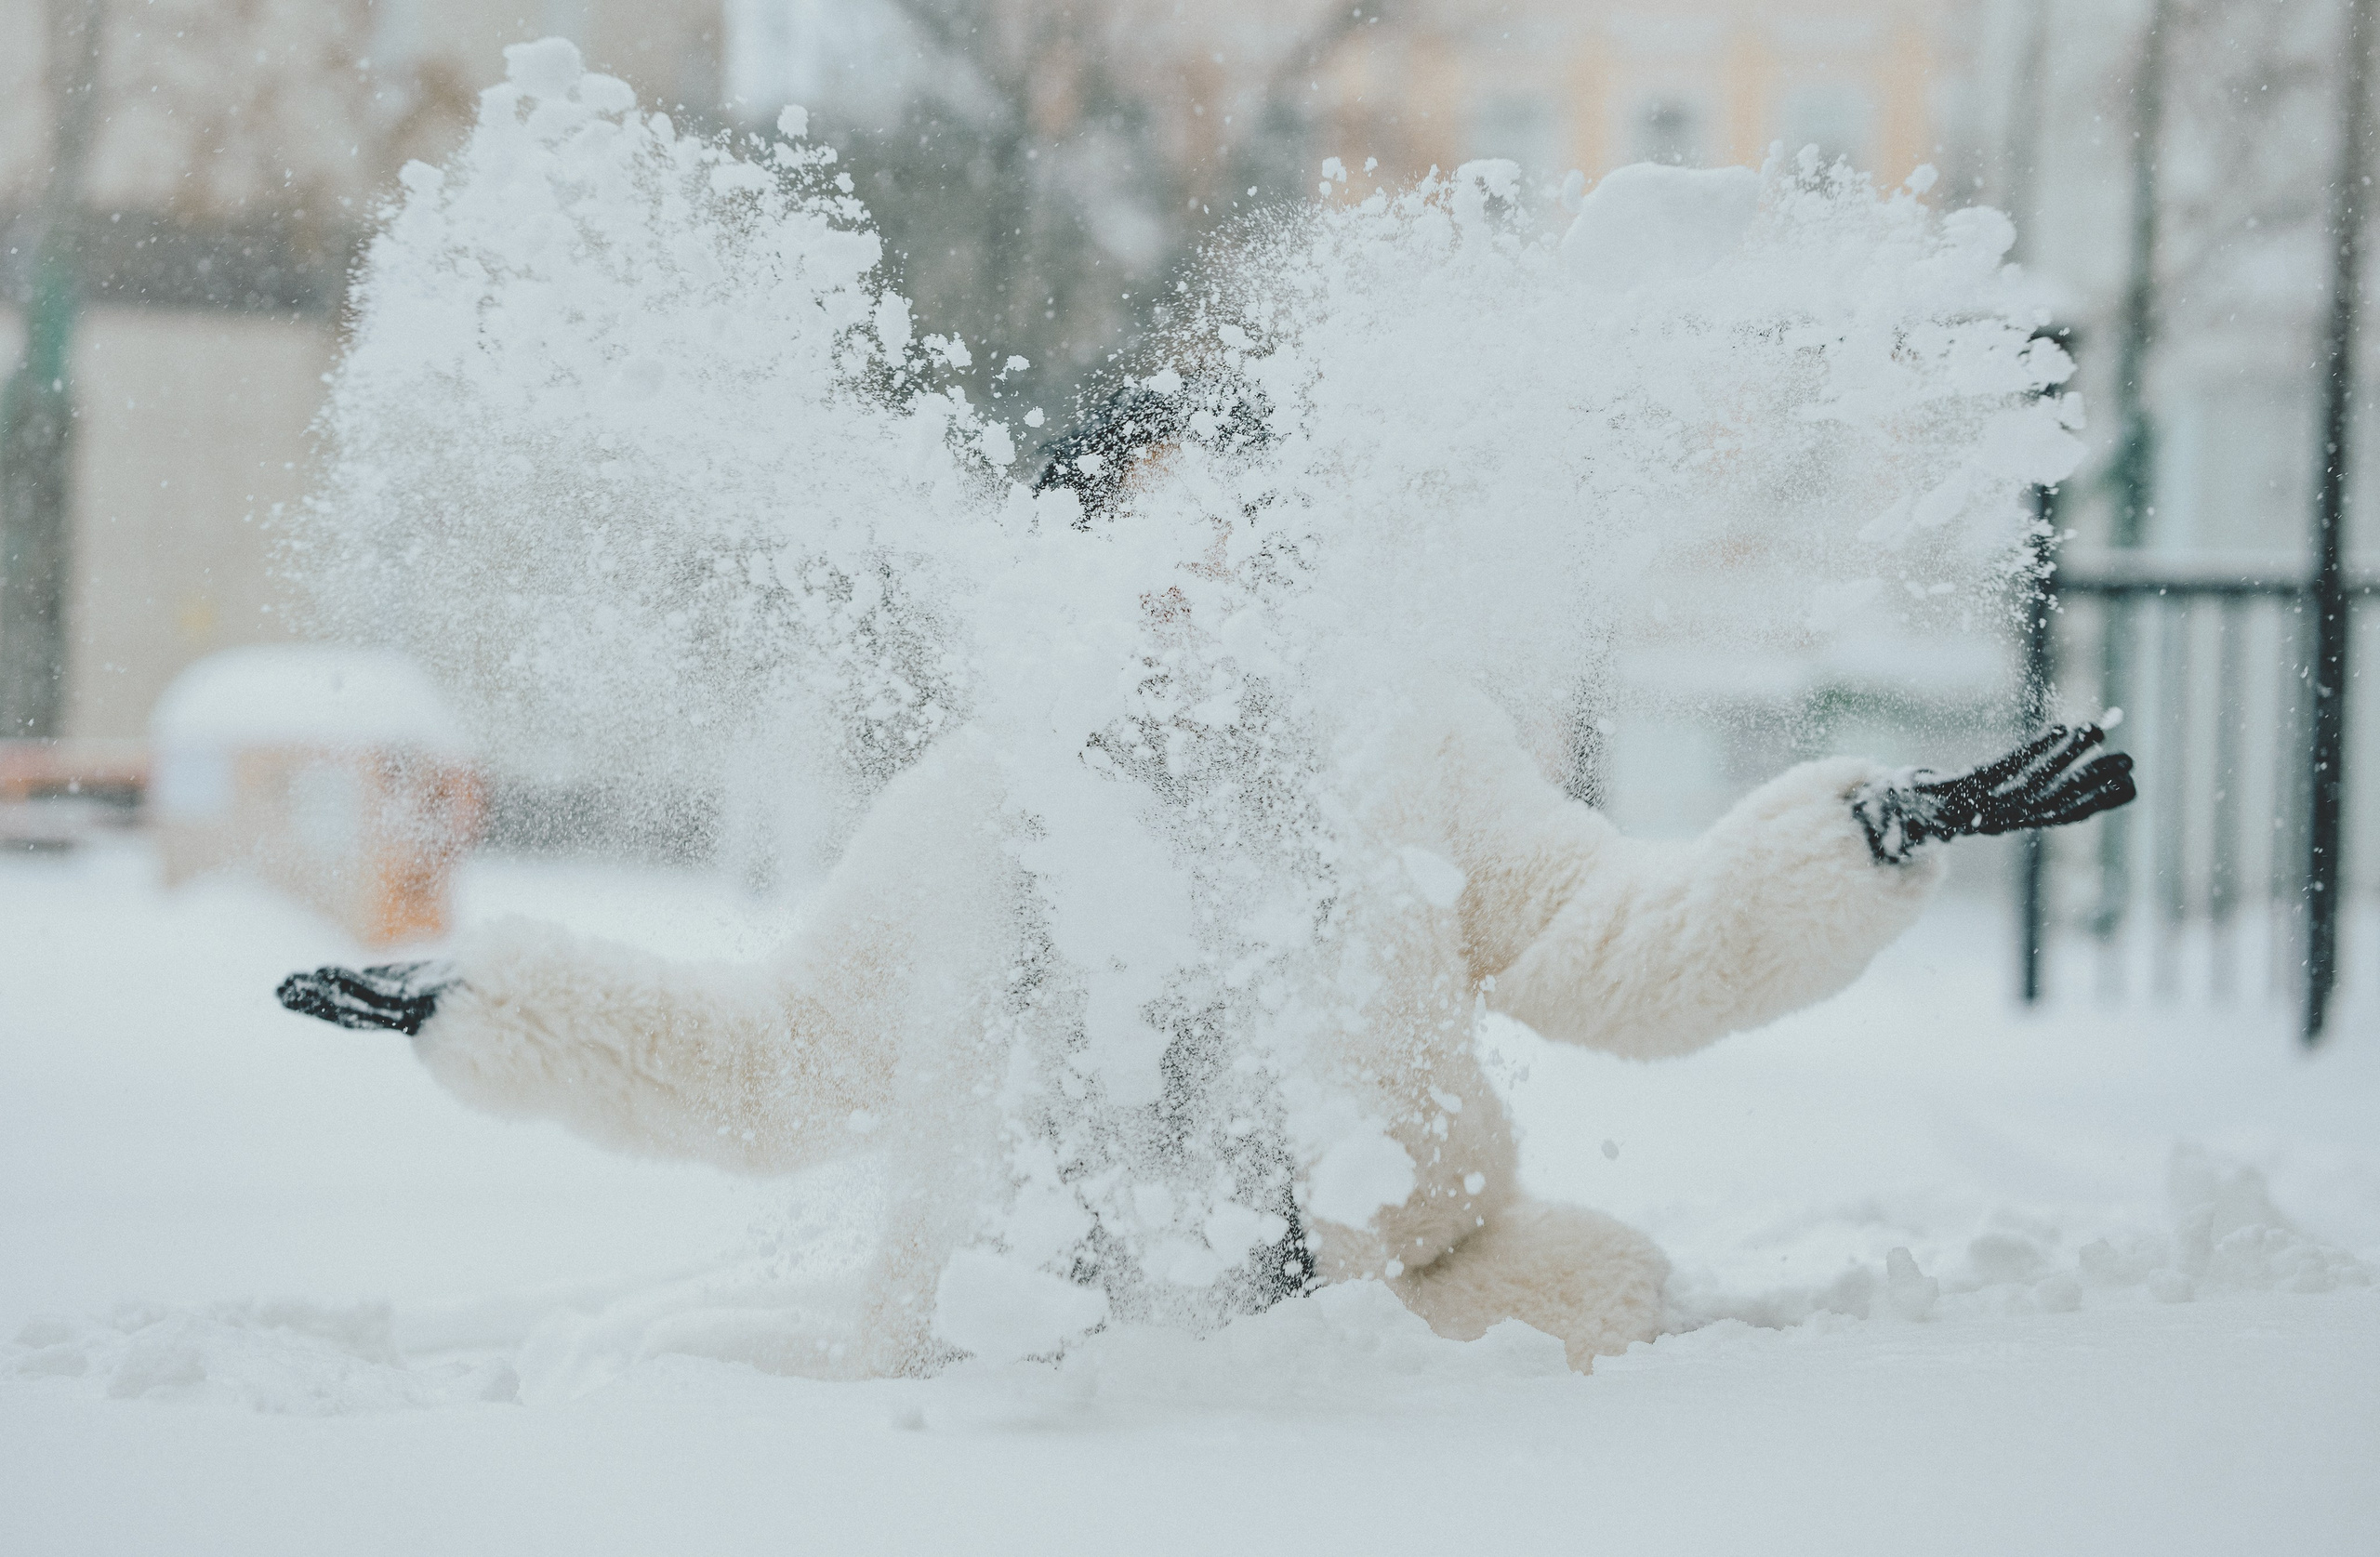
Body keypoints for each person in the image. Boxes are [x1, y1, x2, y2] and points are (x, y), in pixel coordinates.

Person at [278, 413, 2135, 1376]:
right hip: (1013, 1396)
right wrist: (484, 997)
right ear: (1067, 560)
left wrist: (1857, 832)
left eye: (1225, 527)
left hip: (1385, 1360)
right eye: (1146, 533)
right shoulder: (975, 808)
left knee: (1612, 1306)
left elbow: (1614, 945)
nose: (1197, 575)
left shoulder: (1402, 749)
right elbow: (776, 1061)